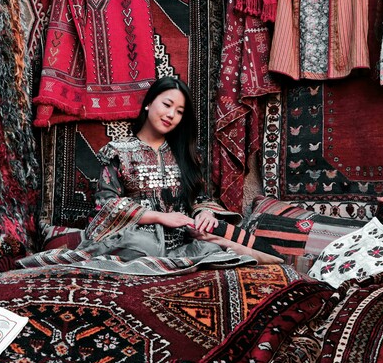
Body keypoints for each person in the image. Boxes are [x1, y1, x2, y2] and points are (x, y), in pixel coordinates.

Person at [20, 76, 280, 275]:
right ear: (149, 104)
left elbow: (200, 196)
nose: (171, 115)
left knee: (212, 247)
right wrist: (160, 217)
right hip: (137, 237)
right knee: (142, 246)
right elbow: (106, 205)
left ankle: (274, 260)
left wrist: (205, 213)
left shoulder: (186, 155)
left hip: (181, 241)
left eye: (179, 112)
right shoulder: (117, 152)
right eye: (167, 105)